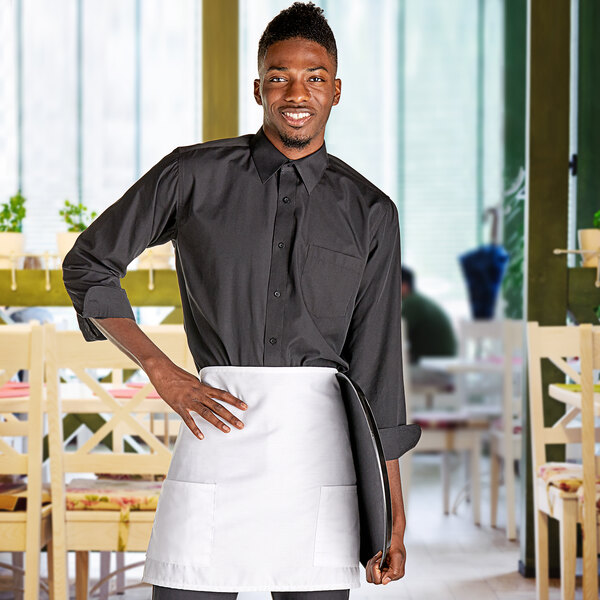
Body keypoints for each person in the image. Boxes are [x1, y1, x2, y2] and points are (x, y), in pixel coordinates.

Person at [63, 3, 418, 598]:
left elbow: (379, 368)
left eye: (314, 77)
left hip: (319, 454)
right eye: (279, 76)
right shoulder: (192, 176)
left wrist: (393, 513)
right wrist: (163, 371)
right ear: (259, 88)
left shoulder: (370, 211)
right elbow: (89, 264)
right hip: (214, 434)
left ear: (336, 90)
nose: (296, 92)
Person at [401, 266, 457, 365]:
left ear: (404, 285)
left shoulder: (412, 303)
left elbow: (396, 335)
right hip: (443, 362)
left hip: (435, 365)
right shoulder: (418, 300)